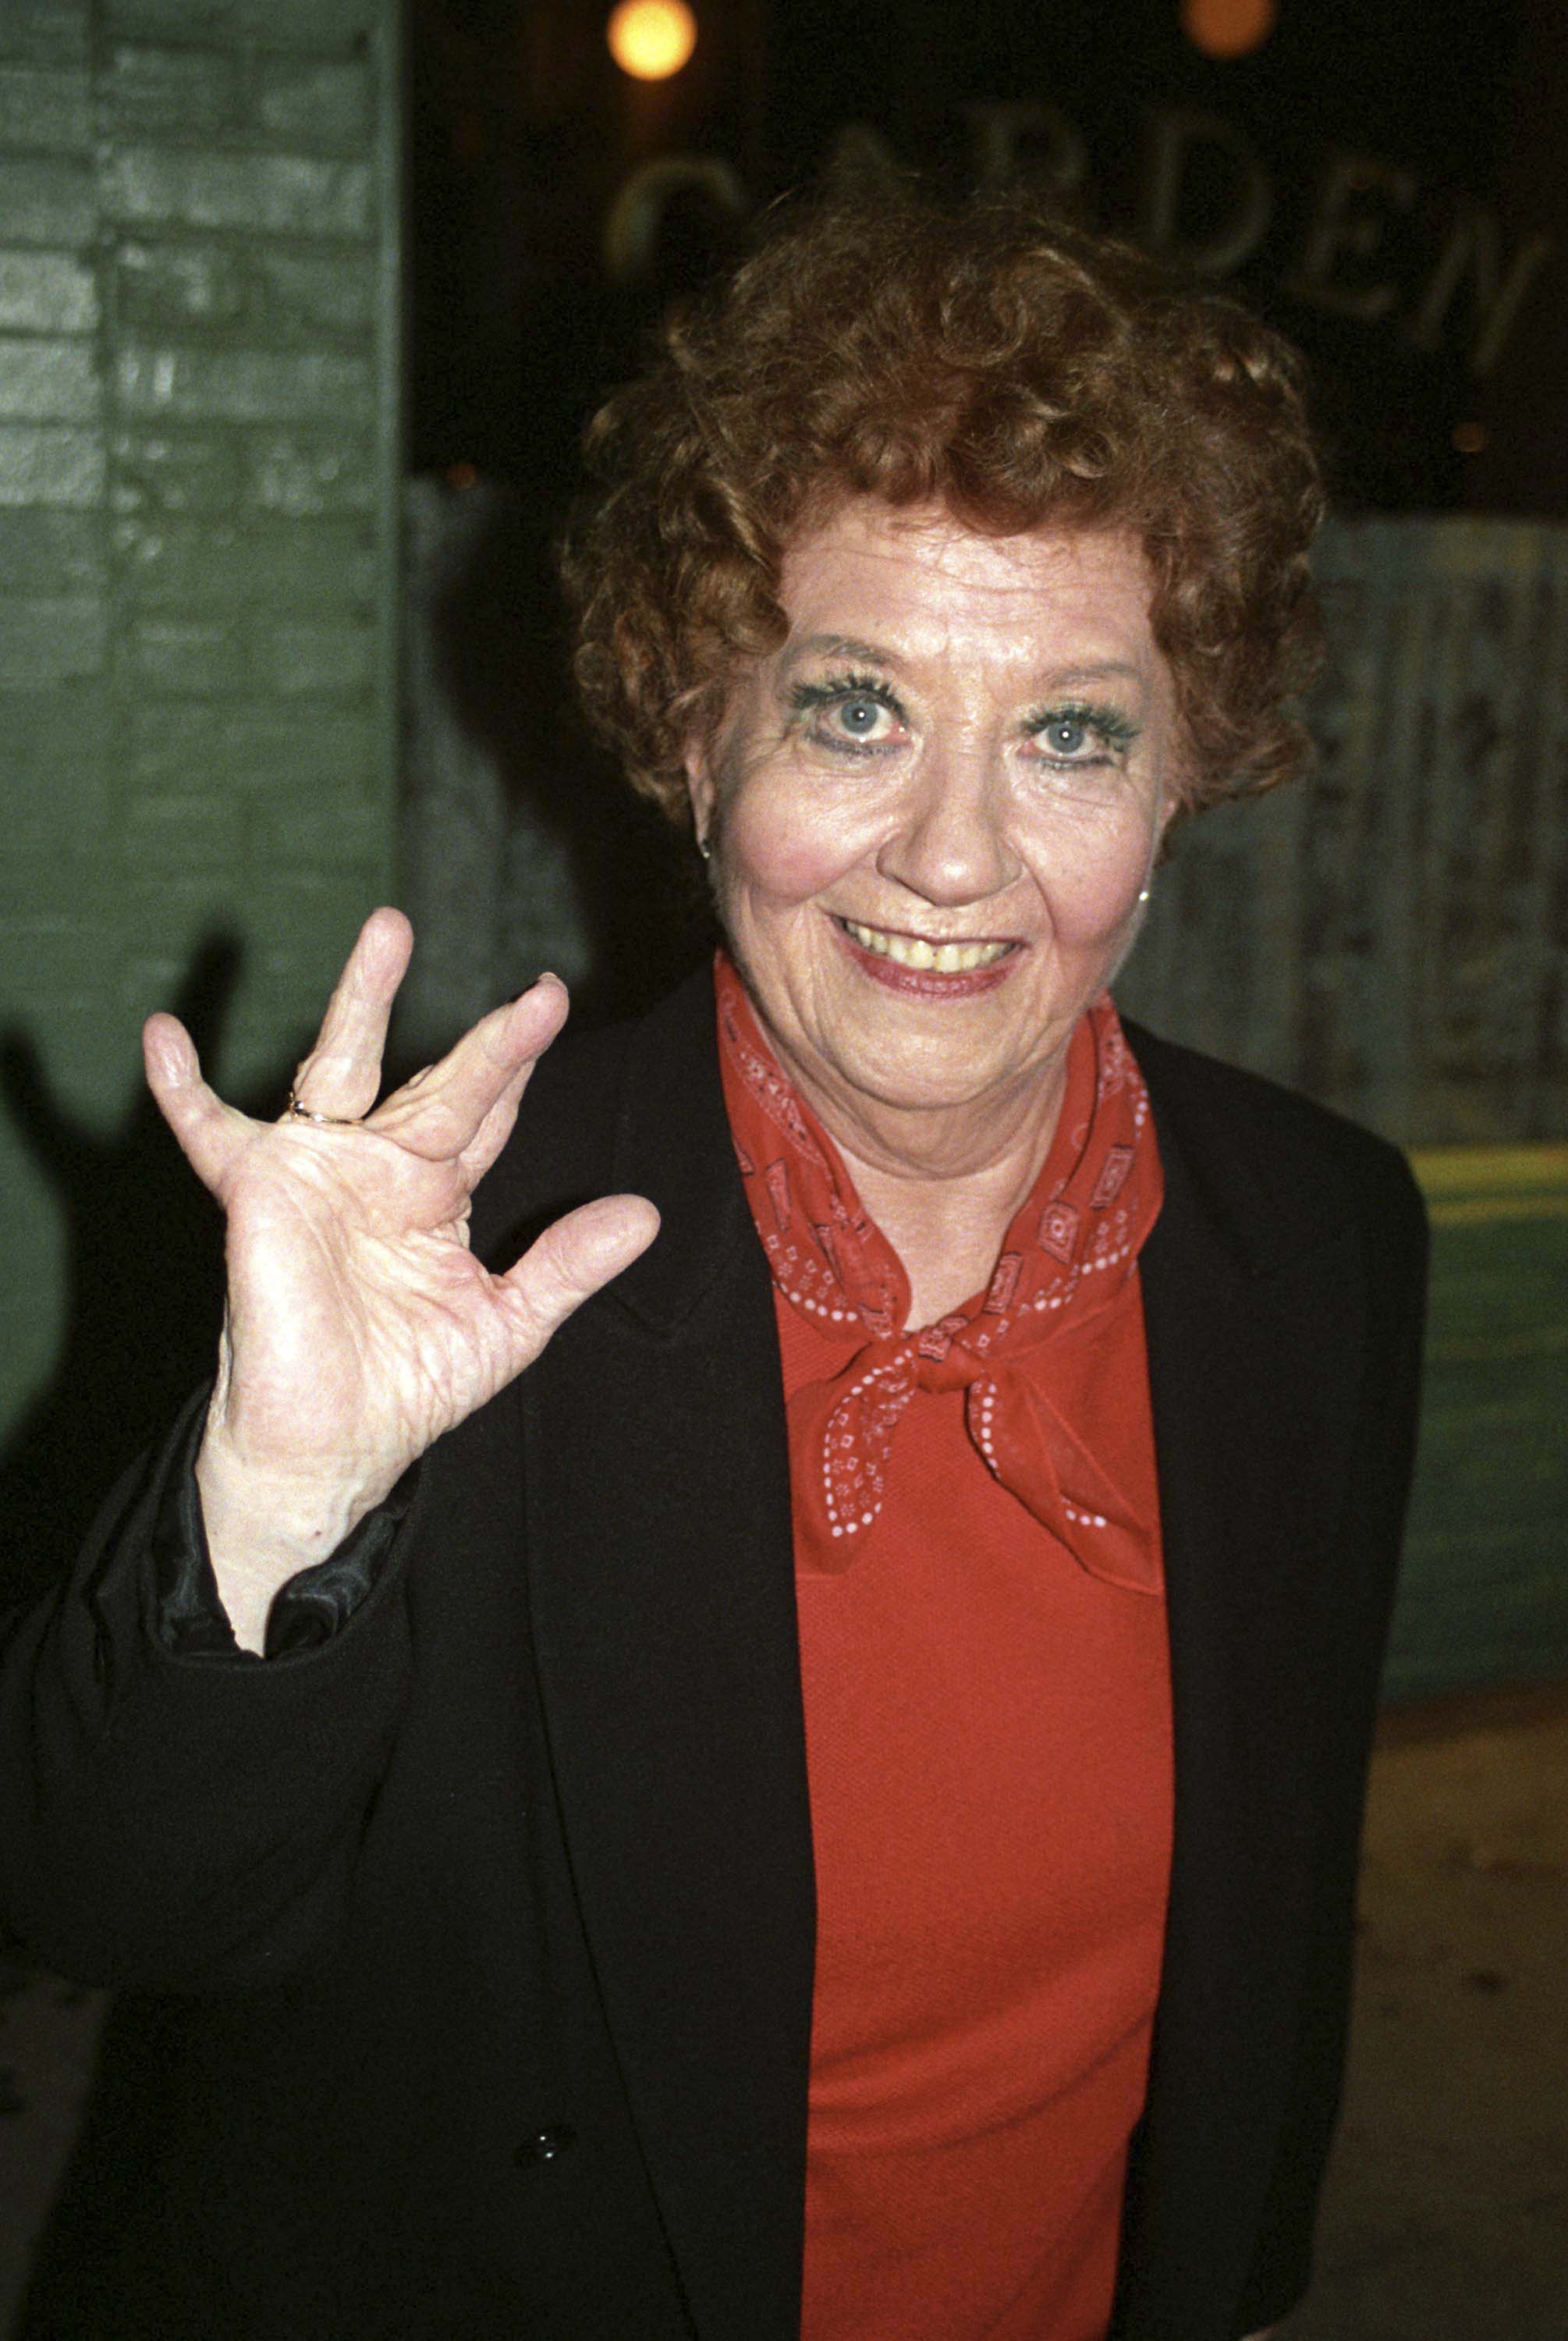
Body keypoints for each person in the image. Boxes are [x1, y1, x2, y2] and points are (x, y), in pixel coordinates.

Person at [2, 195, 1427, 2341]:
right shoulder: (461, 1251)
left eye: (1069, 732)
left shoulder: (1311, 1234)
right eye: (854, 712)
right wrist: (275, 1502)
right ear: (690, 737)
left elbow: (1267, 1917)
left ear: (1181, 777)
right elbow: (110, 1903)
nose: (953, 855)